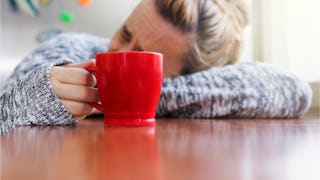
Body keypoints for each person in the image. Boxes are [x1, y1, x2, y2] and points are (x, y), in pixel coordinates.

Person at [0, 0, 312, 135]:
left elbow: (294, 89)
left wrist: (143, 97)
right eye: (125, 32)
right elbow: (7, 109)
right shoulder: (74, 49)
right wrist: (39, 96)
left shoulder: (207, 86)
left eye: (144, 56)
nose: (119, 51)